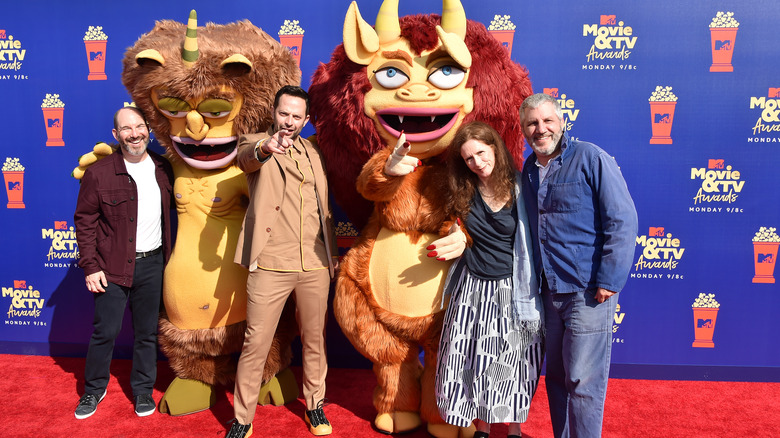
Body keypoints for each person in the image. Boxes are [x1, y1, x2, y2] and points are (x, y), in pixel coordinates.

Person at [519, 93, 638, 438]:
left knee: (583, 381)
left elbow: (622, 219)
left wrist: (610, 279)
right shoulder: (528, 170)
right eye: (532, 124)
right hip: (547, 292)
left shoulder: (590, 157)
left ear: (561, 122)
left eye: (547, 121)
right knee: (556, 376)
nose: (541, 129)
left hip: (588, 292)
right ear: (524, 130)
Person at [227, 85, 338, 438]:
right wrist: (265, 147)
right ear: (274, 114)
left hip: (316, 264)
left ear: (307, 120)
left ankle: (315, 406)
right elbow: (245, 156)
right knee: (255, 342)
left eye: (296, 116)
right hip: (271, 263)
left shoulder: (316, 151)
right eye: (283, 114)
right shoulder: (256, 142)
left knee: (315, 340)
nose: (289, 122)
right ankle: (242, 419)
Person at [429, 121, 544, 438]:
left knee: (515, 361)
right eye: (469, 159)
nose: (477, 163)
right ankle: (481, 427)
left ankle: (514, 429)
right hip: (472, 287)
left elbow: (536, 241)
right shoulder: (462, 191)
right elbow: (453, 229)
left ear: (494, 147)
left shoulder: (523, 188)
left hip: (513, 288)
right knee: (474, 358)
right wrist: (454, 235)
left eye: (481, 152)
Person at [73, 106, 174, 419]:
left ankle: (143, 390)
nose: (135, 134)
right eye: (127, 129)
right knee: (105, 332)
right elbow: (85, 220)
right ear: (116, 135)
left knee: (146, 333)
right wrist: (90, 266)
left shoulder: (163, 168)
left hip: (153, 264)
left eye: (140, 127)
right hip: (110, 267)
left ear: (148, 129)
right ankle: (94, 390)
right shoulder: (99, 173)